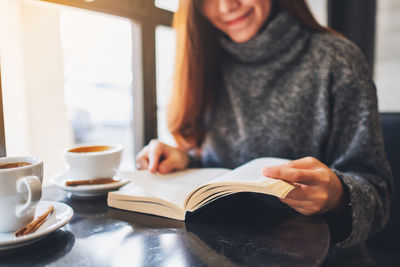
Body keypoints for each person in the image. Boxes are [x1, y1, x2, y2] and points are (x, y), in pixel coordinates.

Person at [136, 0, 393, 265]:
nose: (226, 7)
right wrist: (185, 157)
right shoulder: (202, 59)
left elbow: (377, 198)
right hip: (217, 256)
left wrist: (338, 196)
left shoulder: (337, 59)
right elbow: (220, 168)